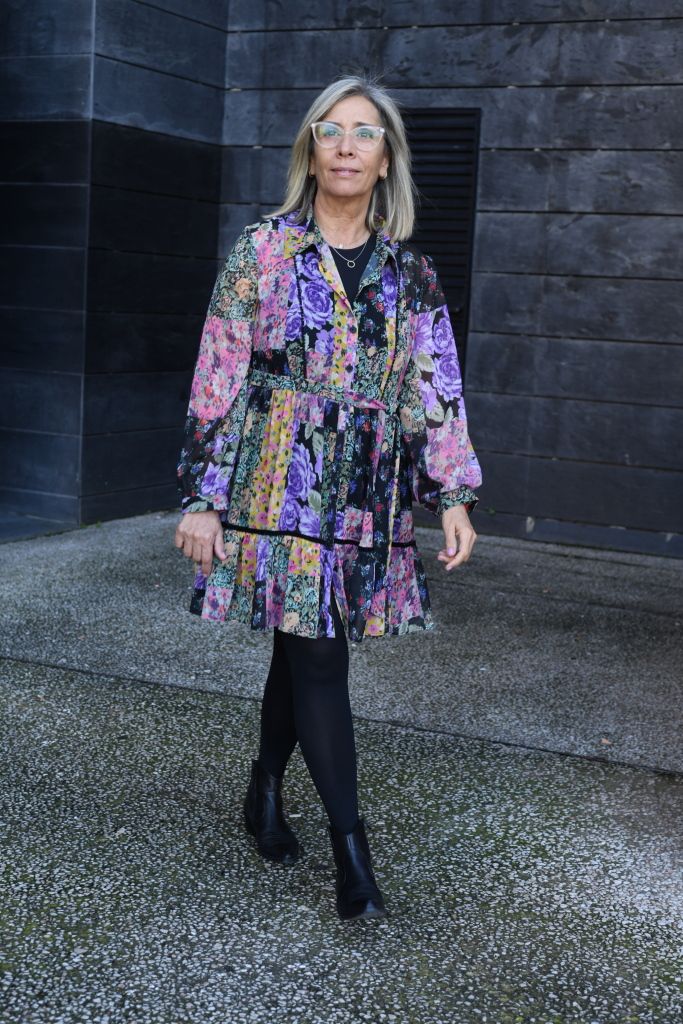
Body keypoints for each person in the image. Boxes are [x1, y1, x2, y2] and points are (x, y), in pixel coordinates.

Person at [174, 75, 482, 922]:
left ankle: (265, 788)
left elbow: (432, 387)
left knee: (304, 640)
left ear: (385, 162)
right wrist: (203, 495)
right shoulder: (262, 250)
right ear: (310, 151)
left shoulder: (411, 274)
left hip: (363, 489)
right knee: (317, 652)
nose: (347, 146)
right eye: (331, 130)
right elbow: (218, 373)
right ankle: (353, 855)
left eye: (365, 133)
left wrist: (452, 494)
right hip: (276, 476)